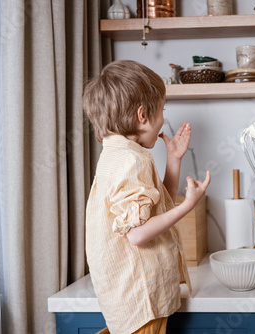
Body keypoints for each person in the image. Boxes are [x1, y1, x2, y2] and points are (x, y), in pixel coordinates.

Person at [83, 60, 210, 334]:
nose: (163, 117)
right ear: (143, 115)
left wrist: (174, 159)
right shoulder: (132, 160)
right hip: (143, 301)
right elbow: (138, 234)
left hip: (125, 300)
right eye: (161, 110)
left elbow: (151, 207)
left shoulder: (114, 156)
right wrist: (188, 204)